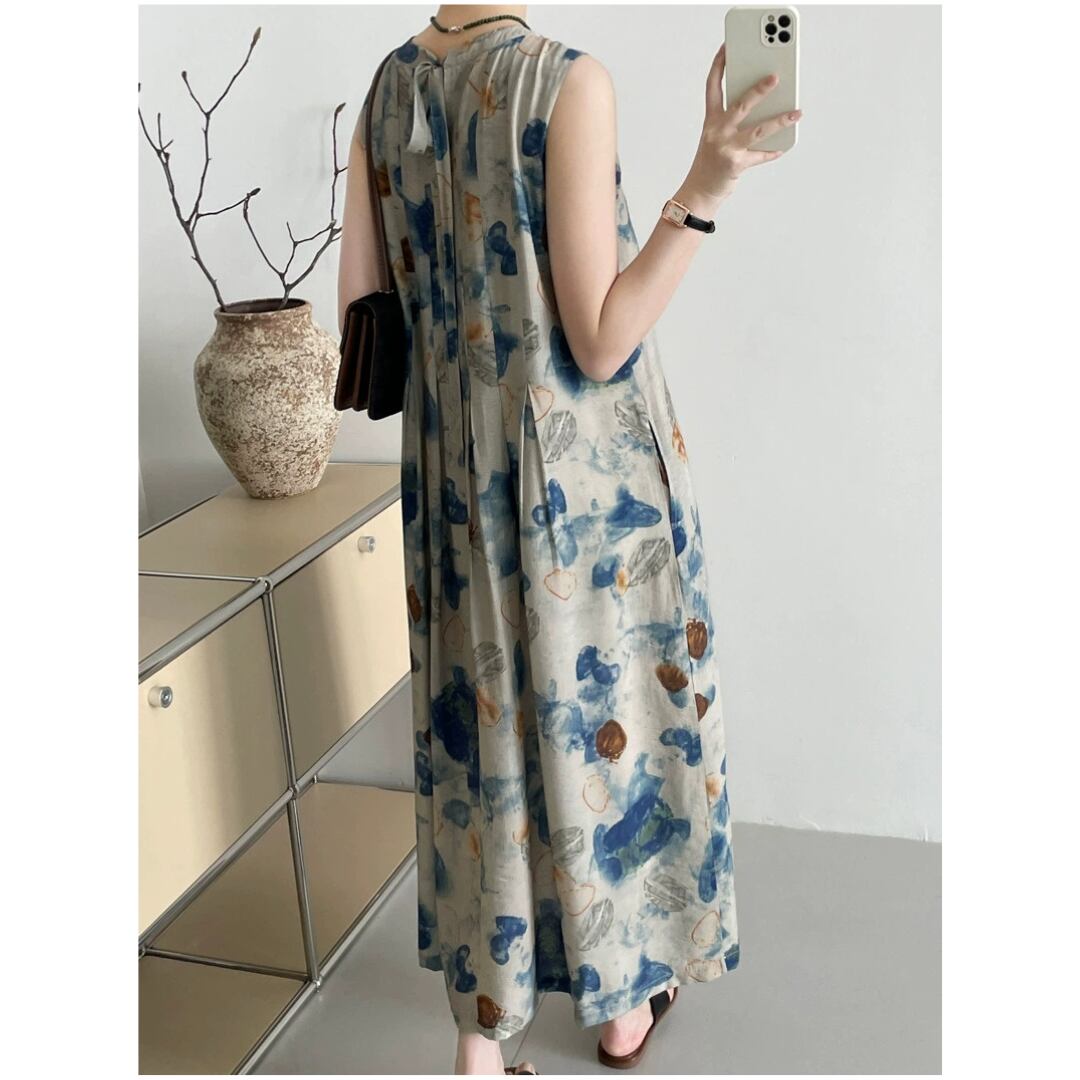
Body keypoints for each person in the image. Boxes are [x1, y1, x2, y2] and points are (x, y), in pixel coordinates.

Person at [338, 6, 800, 1074]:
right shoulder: (567, 83)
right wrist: (704, 189)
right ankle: (623, 1006)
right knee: (611, 723)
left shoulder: (384, 92)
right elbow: (600, 342)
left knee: (482, 742)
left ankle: (480, 1038)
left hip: (451, 483)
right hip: (583, 492)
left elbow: (364, 309)